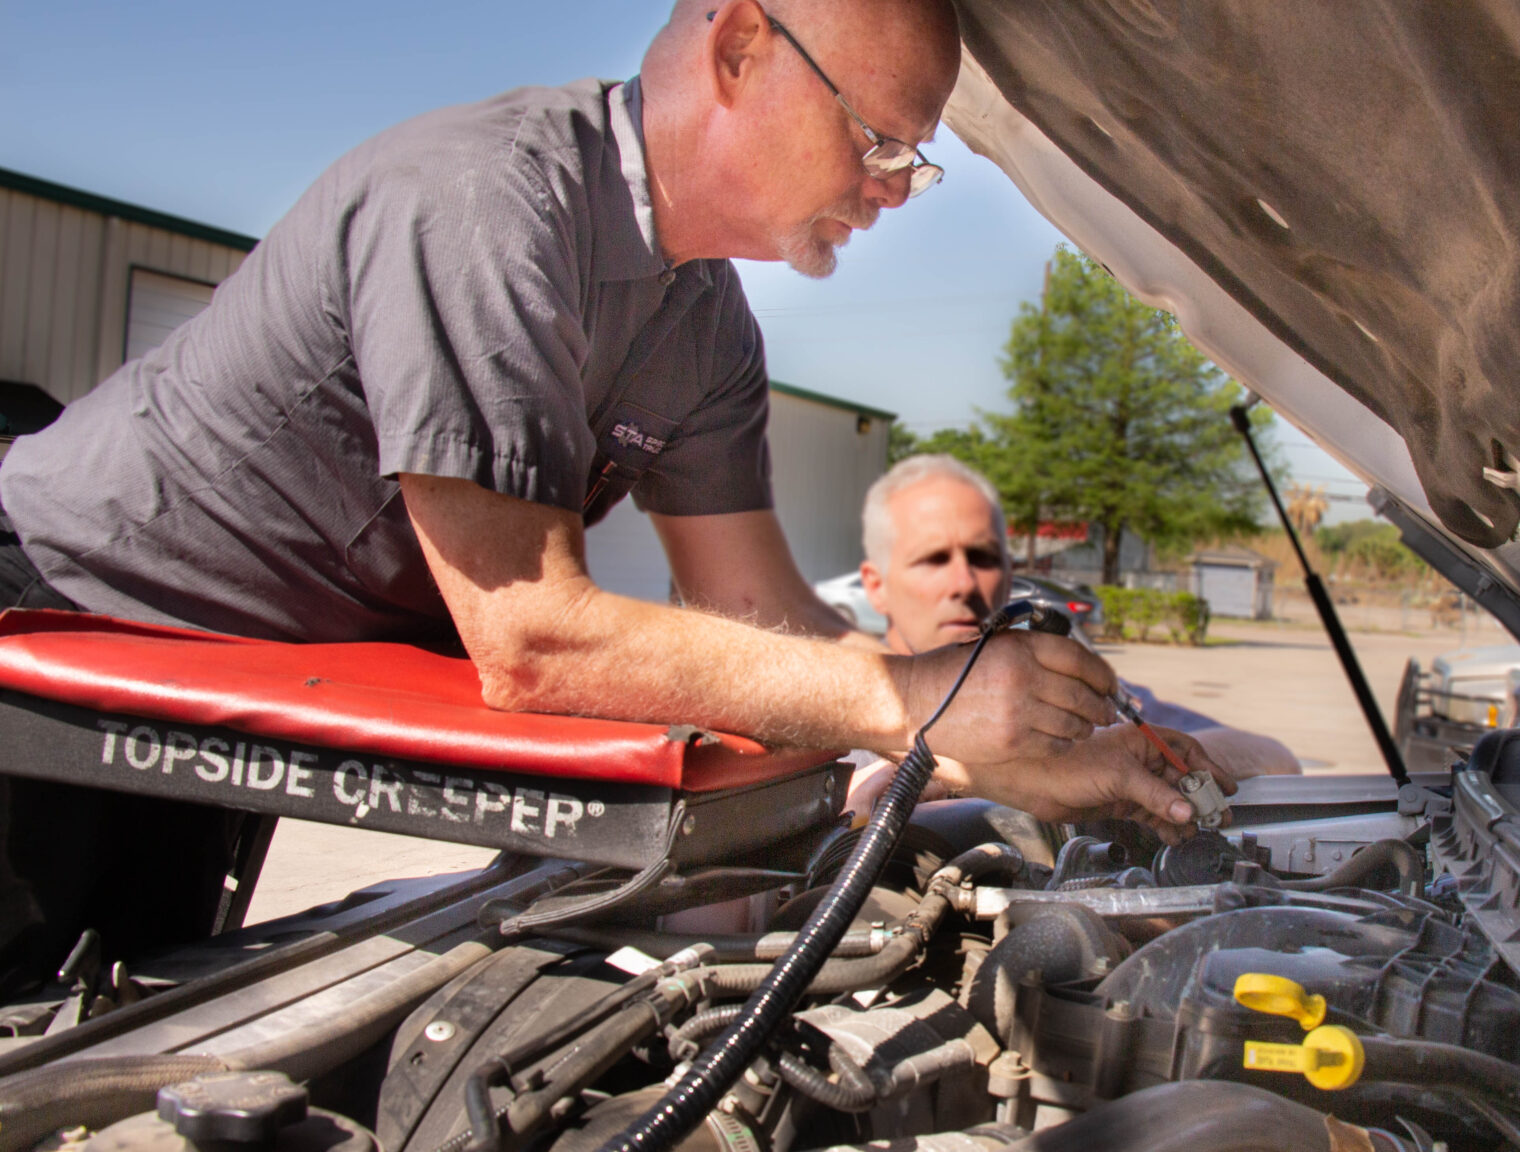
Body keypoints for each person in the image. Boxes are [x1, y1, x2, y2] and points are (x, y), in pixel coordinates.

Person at [0, 0, 1206, 988]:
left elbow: (764, 628)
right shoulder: (485, 203)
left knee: (133, 1008)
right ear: (739, 49)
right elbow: (530, 638)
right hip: (58, 616)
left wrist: (1003, 755)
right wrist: (914, 700)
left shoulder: (708, 328)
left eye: (912, 163)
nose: (889, 186)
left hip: (235, 677)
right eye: (875, 138)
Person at [845, 454, 1297, 820]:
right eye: (932, 559)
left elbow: (1274, 757)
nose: (964, 582)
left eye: (984, 556)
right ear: (876, 585)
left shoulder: (1070, 705)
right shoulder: (837, 732)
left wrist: (1130, 758)